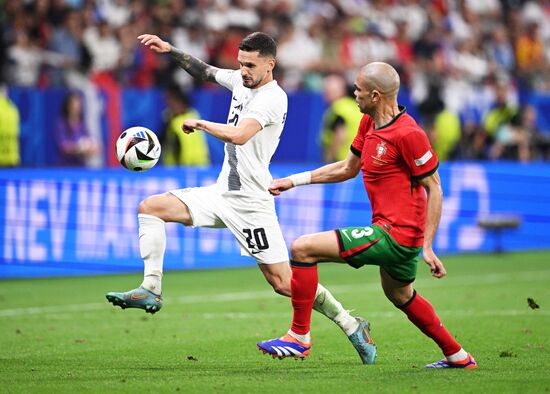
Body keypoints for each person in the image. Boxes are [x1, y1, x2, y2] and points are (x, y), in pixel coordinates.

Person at [106, 32, 376, 364]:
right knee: (150, 208)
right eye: (240, 63)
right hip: (222, 193)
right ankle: (151, 287)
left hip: (252, 203)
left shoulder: (273, 99)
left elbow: (241, 134)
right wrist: (170, 50)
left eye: (250, 65)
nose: (243, 70)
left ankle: (351, 324)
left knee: (283, 282)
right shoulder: (240, 81)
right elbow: (205, 71)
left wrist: (202, 123)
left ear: (269, 64)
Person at [257, 62, 477, 369]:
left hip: (396, 235)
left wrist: (428, 245)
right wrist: (294, 181)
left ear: (375, 95)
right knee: (400, 295)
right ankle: (458, 356)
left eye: (359, 89)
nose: (354, 94)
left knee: (302, 248)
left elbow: (435, 188)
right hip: (394, 234)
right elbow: (347, 168)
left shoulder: (409, 134)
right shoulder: (369, 123)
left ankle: (299, 337)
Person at [320, 74, 363, 163]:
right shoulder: (355, 106)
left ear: (341, 91)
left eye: (329, 91)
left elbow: (340, 134)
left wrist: (330, 157)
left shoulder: (338, 107)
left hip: (341, 161)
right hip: (358, 160)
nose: (325, 94)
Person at [162, 86, 210, 166]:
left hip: (186, 166)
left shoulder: (177, 122)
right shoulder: (195, 115)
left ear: (181, 103)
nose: (170, 106)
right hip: (197, 165)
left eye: (173, 103)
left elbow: (176, 146)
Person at [55, 91, 98, 167]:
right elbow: (63, 147)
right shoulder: (61, 124)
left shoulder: (82, 125)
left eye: (78, 105)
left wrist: (91, 148)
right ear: (68, 106)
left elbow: (89, 141)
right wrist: (77, 148)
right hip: (65, 168)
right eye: (73, 105)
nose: (76, 108)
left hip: (80, 168)